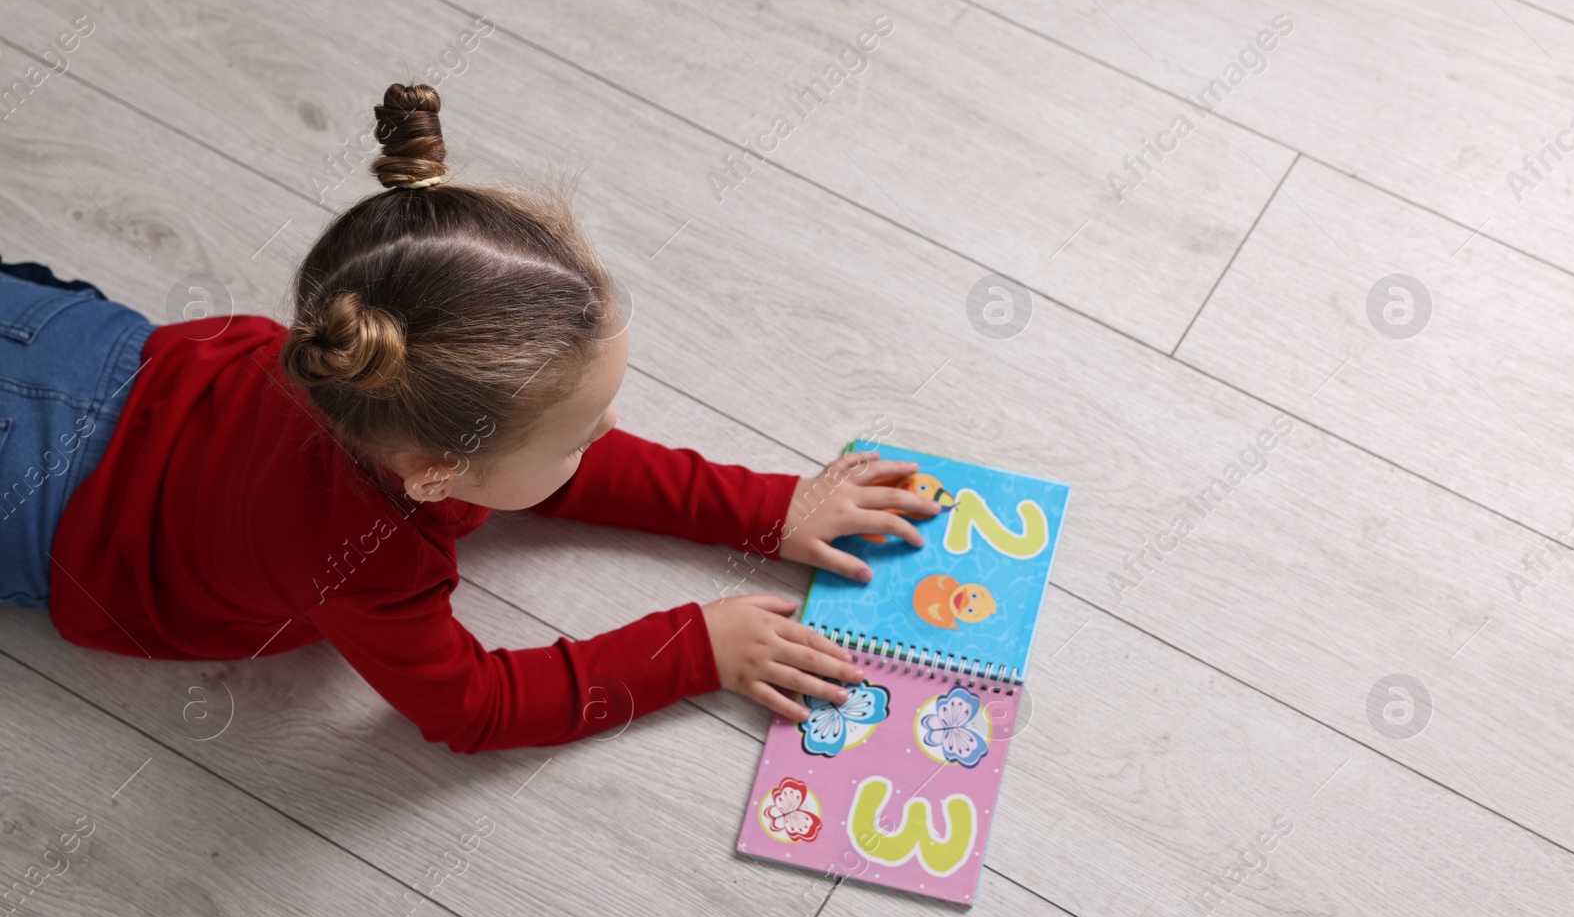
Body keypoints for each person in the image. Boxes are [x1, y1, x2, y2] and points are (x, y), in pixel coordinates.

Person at [1, 82, 941, 753]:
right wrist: (691, 647)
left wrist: (770, 508)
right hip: (41, 509)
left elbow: (544, 451)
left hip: (69, 346)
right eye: (583, 428)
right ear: (436, 472)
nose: (607, 434)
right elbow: (474, 708)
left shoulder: (359, 362)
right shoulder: (370, 558)